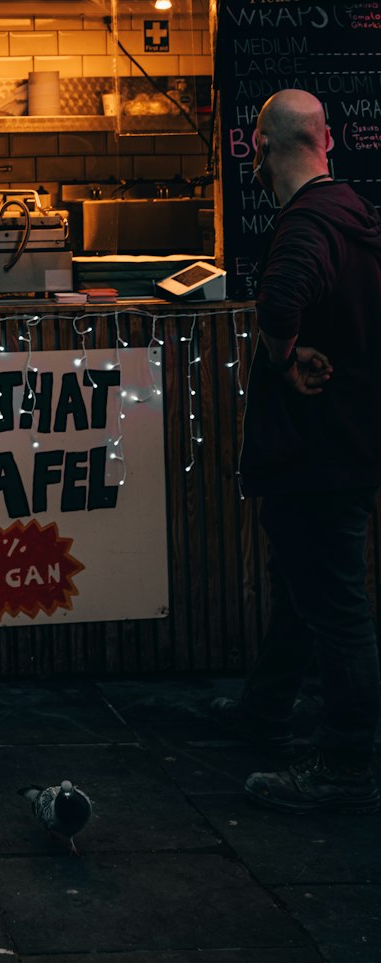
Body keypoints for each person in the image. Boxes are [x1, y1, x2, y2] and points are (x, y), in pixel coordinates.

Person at [214, 88, 381, 813]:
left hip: (317, 449)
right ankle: (266, 713)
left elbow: (281, 300)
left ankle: (346, 762)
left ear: (261, 147)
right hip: (347, 439)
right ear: (327, 141)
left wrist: (283, 355)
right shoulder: (352, 210)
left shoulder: (307, 223)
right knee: (301, 588)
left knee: (336, 605)